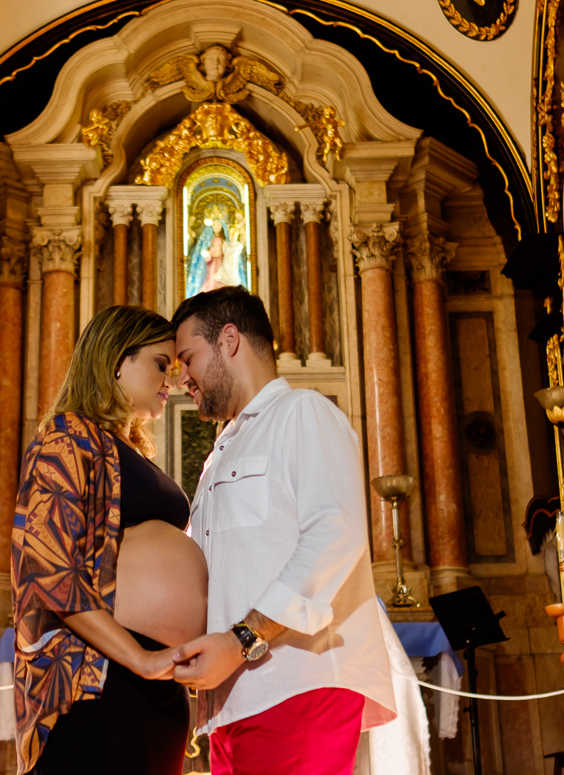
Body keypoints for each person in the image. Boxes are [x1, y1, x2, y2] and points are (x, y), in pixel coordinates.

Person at [169, 286, 396, 775]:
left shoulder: (302, 413)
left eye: (188, 357)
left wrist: (242, 638)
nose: (180, 378)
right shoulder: (219, 454)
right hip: (235, 701)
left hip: (298, 685)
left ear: (229, 339)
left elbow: (335, 533)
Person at [10, 305, 208, 775]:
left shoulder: (127, 450)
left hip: (155, 685)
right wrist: (138, 656)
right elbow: (46, 569)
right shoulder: (66, 437)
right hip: (99, 679)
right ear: (118, 359)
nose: (172, 380)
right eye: (162, 364)